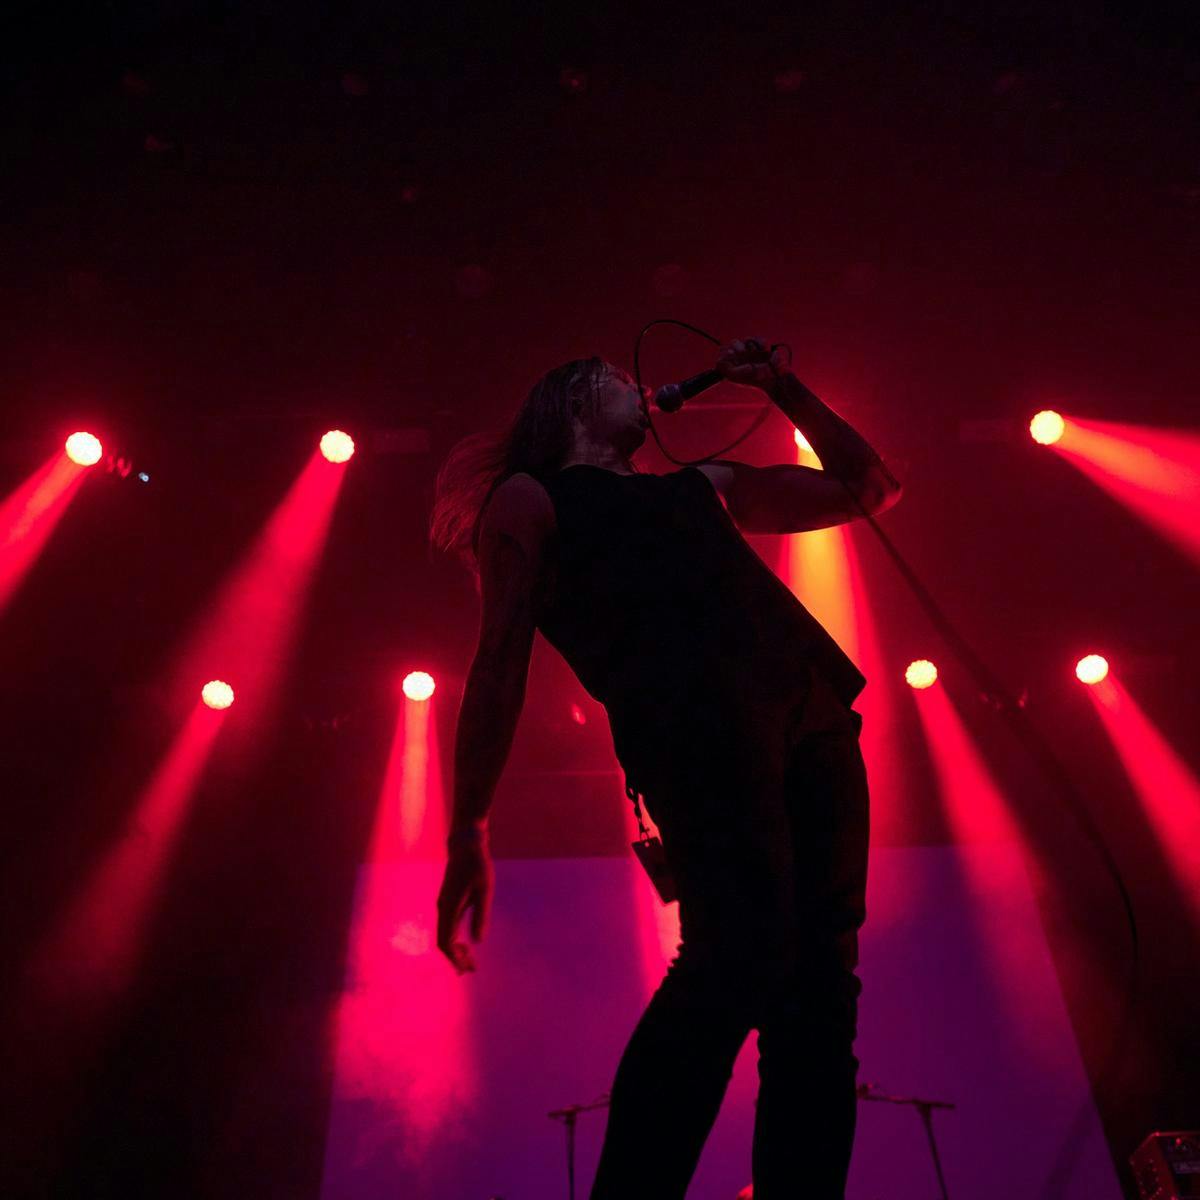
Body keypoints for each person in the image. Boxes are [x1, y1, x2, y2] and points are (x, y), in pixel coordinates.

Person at [429, 338, 903, 1198]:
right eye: (615, 378)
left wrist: (787, 389)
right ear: (572, 403)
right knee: (738, 954)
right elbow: (498, 663)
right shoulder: (531, 500)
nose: (640, 389)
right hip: (695, 731)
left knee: (822, 982)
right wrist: (470, 828)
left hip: (810, 713)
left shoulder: (703, 487)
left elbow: (870, 488)